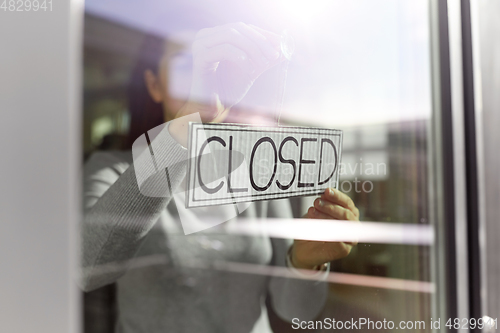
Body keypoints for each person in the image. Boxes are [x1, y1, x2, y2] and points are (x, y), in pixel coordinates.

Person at [81, 22, 360, 333]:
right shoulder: (115, 169)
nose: (206, 77)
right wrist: (192, 122)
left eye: (216, 65)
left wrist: (306, 264)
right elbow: (89, 269)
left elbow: (296, 310)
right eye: (187, 65)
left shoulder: (259, 173)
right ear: (153, 84)